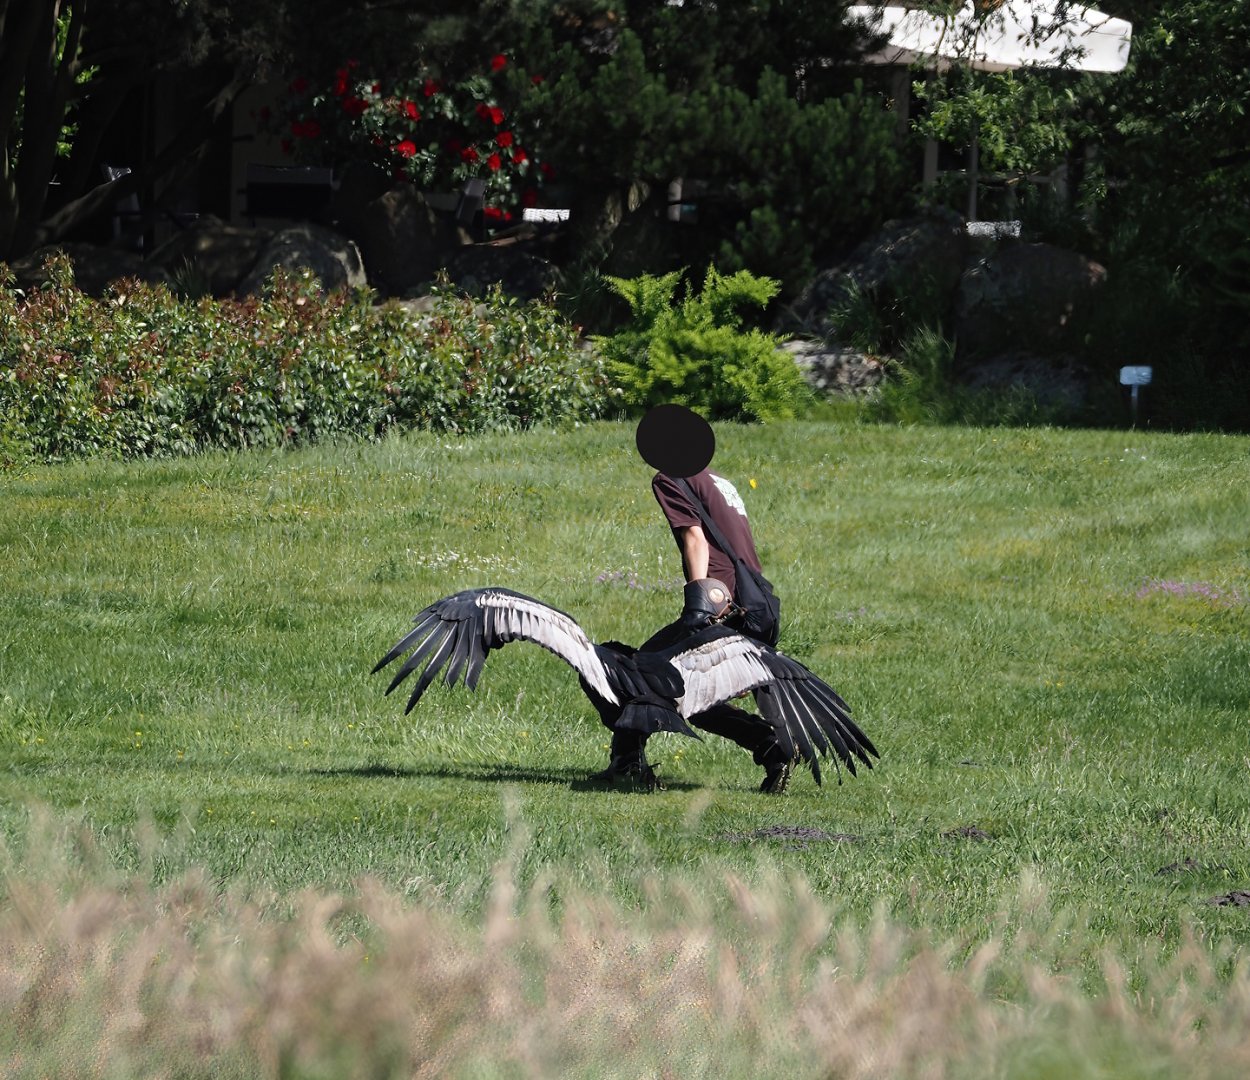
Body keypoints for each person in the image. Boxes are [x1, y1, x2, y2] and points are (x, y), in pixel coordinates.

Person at [589, 405, 795, 793]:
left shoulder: (671, 478)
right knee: (689, 691)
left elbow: (695, 538)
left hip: (720, 605)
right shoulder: (720, 483)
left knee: (639, 672)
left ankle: (627, 762)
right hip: (755, 604)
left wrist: (700, 607)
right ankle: (770, 747)